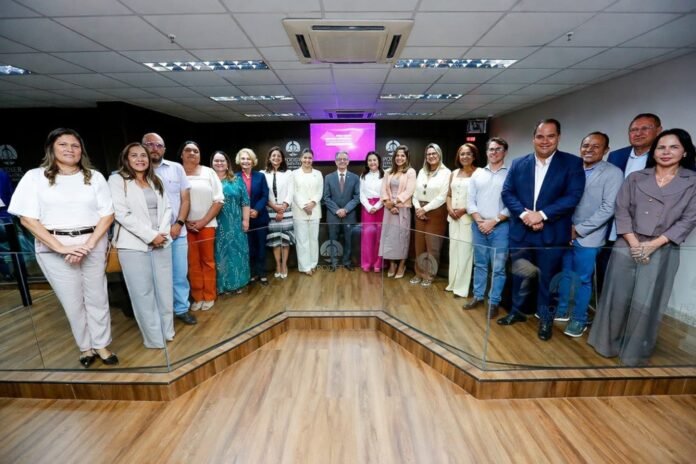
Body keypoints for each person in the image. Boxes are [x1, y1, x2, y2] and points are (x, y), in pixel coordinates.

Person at [8, 128, 118, 367]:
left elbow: (108, 214)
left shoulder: (94, 177)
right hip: (53, 246)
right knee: (72, 300)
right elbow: (27, 219)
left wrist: (88, 245)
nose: (70, 149)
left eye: (75, 145)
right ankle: (85, 348)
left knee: (97, 297)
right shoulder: (35, 177)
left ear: (81, 150)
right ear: (51, 148)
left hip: (93, 241)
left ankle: (101, 344)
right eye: (63, 145)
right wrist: (60, 247)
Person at [588, 129, 696, 366]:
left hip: (662, 247)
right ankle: (606, 344)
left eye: (673, 147)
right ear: (653, 152)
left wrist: (653, 244)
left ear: (685, 152)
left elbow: (689, 219)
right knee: (616, 296)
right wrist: (635, 243)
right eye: (661, 147)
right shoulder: (636, 177)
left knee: (648, 302)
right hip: (628, 243)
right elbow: (621, 210)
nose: (666, 152)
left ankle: (635, 351)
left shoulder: (692, 182)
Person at [499, 119, 585, 341]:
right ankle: (517, 312)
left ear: (558, 137)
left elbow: (573, 196)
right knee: (519, 275)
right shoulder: (518, 163)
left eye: (550, 136)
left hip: (552, 233)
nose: (545, 141)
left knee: (549, 280)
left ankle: (546, 319)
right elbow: (507, 192)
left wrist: (542, 215)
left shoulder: (572, 163)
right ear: (533, 139)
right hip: (521, 232)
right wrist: (525, 215)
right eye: (540, 136)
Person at [556, 132, 623, 337]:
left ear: (606, 150)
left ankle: (579, 318)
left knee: (583, 279)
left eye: (596, 146)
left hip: (589, 236)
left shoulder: (613, 173)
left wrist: (579, 230)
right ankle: (562, 310)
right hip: (564, 231)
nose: (589, 149)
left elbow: (608, 208)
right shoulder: (572, 167)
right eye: (586, 145)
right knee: (565, 274)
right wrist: (565, 228)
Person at [109, 142, 175, 349]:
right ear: (126, 159)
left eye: (143, 155)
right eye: (134, 155)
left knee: (165, 290)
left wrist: (161, 234)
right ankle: (154, 339)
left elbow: (168, 208)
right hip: (133, 246)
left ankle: (167, 332)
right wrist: (151, 236)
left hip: (162, 242)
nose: (140, 159)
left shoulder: (156, 180)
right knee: (142, 294)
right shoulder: (117, 180)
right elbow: (121, 214)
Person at [598, 114, 663, 292]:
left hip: (647, 234)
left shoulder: (664, 157)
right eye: (634, 130)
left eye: (645, 128)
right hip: (614, 229)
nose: (638, 133)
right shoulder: (616, 156)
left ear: (658, 130)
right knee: (607, 276)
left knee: (641, 284)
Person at [143, 132, 196, 325]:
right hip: (149, 236)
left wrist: (179, 224)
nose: (154, 149)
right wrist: (150, 234)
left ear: (164, 149)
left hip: (177, 233)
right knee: (154, 277)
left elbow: (185, 199)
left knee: (179, 274)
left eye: (159, 145)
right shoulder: (136, 171)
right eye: (150, 144)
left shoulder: (176, 169)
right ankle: (160, 312)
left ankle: (181, 309)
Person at [465, 137, 510, 319]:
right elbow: (470, 201)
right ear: (486, 152)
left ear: (504, 152)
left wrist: (493, 221)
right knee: (480, 264)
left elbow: (513, 204)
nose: (494, 152)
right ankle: (478, 296)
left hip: (501, 227)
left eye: (498, 149)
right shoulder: (477, 174)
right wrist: (479, 221)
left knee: (498, 268)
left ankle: (494, 301)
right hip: (478, 226)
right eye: (491, 149)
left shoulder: (511, 175)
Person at [182, 141, 223, 311]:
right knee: (192, 263)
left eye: (196, 151)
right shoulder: (177, 173)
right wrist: (184, 221)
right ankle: (197, 296)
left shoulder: (209, 172)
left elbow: (218, 200)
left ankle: (209, 295)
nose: (192, 153)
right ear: (182, 154)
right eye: (188, 150)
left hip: (207, 225)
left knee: (208, 261)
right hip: (184, 227)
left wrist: (203, 222)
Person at [411, 143, 451, 287]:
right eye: (428, 154)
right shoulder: (422, 171)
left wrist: (425, 209)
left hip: (436, 212)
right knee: (419, 245)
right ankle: (419, 273)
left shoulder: (446, 173)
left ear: (439, 155)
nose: (431, 156)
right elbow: (415, 193)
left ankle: (429, 274)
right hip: (419, 212)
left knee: (433, 247)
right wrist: (418, 208)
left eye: (434, 153)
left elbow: (442, 196)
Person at [211, 150, 250, 294]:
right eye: (216, 161)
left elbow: (245, 202)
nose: (219, 163)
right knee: (220, 255)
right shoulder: (208, 181)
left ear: (227, 164)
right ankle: (222, 286)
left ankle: (239, 283)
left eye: (222, 160)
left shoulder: (236, 180)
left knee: (237, 253)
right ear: (212, 164)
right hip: (216, 224)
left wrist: (246, 220)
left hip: (236, 225)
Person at [445, 143, 477, 298]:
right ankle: (452, 284)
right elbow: (449, 195)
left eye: (468, 153)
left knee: (465, 253)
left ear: (474, 156)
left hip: (467, 218)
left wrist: (464, 209)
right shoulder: (454, 173)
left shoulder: (478, 173)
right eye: (462, 154)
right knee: (454, 251)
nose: (465, 156)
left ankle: (461, 288)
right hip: (453, 218)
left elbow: (479, 197)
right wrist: (449, 208)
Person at [380, 145, 416, 279]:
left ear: (407, 158)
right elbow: (383, 190)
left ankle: (402, 265)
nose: (399, 158)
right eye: (397, 155)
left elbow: (409, 191)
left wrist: (394, 203)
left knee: (402, 238)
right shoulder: (388, 172)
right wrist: (389, 205)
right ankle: (392, 264)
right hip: (389, 210)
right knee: (390, 237)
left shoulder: (410, 172)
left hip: (403, 209)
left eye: (402, 156)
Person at [237, 148, 270, 284]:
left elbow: (265, 195)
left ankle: (262, 273)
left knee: (261, 247)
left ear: (253, 161)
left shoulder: (260, 176)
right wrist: (245, 212)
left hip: (260, 217)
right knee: (249, 248)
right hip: (243, 219)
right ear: (239, 160)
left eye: (248, 158)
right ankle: (252, 273)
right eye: (243, 158)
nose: (246, 161)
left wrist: (256, 209)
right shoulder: (235, 177)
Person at [323, 151, 360, 271]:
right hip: (333, 215)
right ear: (335, 162)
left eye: (345, 159)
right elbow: (326, 197)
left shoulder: (355, 177)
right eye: (339, 159)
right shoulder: (328, 177)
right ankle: (333, 262)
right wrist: (337, 210)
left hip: (349, 214)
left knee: (349, 240)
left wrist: (346, 209)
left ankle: (347, 261)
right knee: (332, 239)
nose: (342, 161)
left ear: (348, 161)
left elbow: (357, 197)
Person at [264, 146, 295, 279]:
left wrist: (282, 208)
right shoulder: (263, 173)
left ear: (282, 159)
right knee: (275, 240)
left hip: (286, 210)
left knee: (285, 240)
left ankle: (284, 265)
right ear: (269, 158)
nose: (276, 158)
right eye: (273, 155)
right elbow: (264, 193)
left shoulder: (288, 173)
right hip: (270, 210)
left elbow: (291, 192)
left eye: (278, 156)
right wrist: (275, 208)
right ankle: (277, 265)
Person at [292, 148, 323, 275]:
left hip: (315, 210)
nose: (307, 160)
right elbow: (294, 192)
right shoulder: (294, 174)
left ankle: (313, 263)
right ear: (301, 159)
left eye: (310, 158)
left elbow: (319, 191)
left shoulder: (318, 173)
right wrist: (304, 206)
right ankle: (305, 267)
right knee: (302, 240)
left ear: (313, 159)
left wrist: (312, 203)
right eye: (305, 157)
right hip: (300, 211)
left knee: (313, 239)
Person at [359, 151, 385, 272]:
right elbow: (361, 194)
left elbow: (385, 193)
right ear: (367, 163)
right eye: (370, 160)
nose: (372, 162)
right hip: (367, 209)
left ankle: (378, 264)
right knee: (367, 237)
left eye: (374, 160)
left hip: (381, 207)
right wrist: (369, 207)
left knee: (379, 236)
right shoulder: (363, 176)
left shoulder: (385, 175)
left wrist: (378, 206)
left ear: (378, 161)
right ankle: (367, 263)